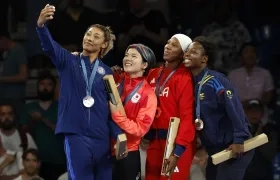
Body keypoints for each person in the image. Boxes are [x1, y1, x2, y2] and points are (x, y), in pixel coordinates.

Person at [36, 4, 118, 180]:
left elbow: (114, 106)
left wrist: (118, 134)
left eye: (96, 36)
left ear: (104, 44)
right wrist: (41, 27)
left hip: (102, 137)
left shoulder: (108, 73)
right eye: (88, 34)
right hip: (76, 135)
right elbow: (50, 47)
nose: (89, 38)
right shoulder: (68, 61)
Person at [183, 36, 254, 180]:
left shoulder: (216, 81)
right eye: (187, 51)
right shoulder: (189, 84)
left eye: (194, 52)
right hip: (215, 149)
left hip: (234, 146)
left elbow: (235, 109)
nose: (187, 54)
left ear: (204, 59)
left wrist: (239, 139)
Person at [144, 34, 196, 180]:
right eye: (167, 43)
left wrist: (177, 151)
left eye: (174, 45)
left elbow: (187, 116)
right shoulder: (154, 74)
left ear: (182, 53)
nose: (167, 46)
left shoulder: (184, 78)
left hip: (176, 142)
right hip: (154, 141)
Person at [109, 44, 157, 180]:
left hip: (127, 153)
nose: (127, 58)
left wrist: (117, 115)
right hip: (103, 149)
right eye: (126, 55)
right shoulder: (115, 80)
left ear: (144, 65)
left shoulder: (148, 94)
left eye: (134, 56)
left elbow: (140, 129)